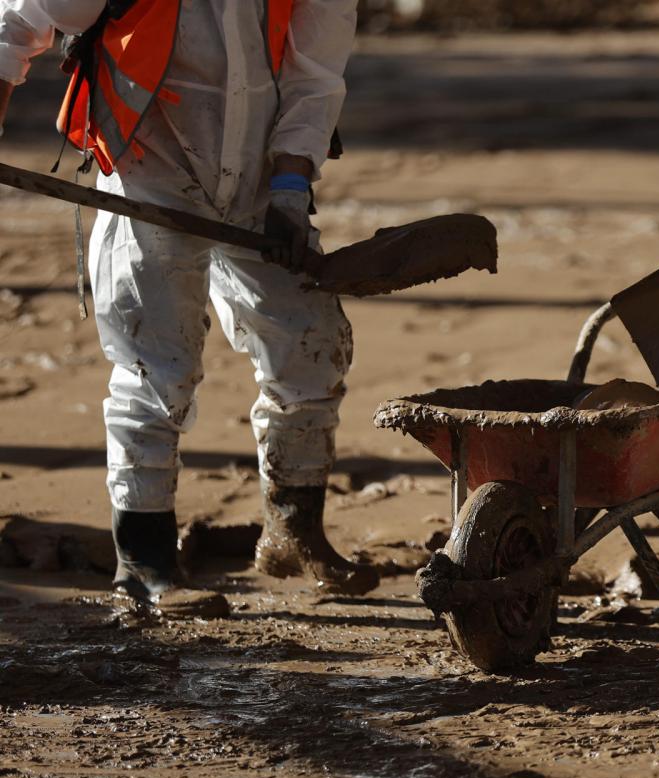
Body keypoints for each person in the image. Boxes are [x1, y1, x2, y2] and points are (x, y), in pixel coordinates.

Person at [0, 0, 378, 618]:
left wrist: (290, 183)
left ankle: (292, 530)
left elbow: (315, 73)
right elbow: (19, 20)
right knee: (156, 366)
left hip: (260, 176)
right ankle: (144, 564)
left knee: (313, 341)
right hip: (152, 166)